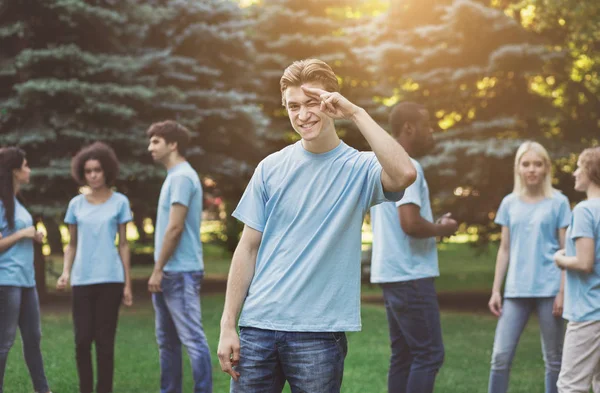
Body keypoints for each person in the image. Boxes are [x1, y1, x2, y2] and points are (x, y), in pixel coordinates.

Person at [216, 58, 417, 393]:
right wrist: (228, 325)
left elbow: (404, 173)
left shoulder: (359, 168)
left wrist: (356, 113)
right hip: (258, 328)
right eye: (293, 106)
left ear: (332, 102)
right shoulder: (271, 167)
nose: (303, 115)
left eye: (312, 103)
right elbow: (248, 247)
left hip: (318, 334)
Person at [369, 102, 458, 393]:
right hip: (411, 275)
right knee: (429, 355)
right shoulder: (407, 165)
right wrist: (443, 229)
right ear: (409, 127)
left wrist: (432, 223)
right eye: (427, 125)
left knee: (404, 356)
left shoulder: (380, 164)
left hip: (391, 275)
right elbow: (409, 223)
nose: (431, 131)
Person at [487, 141, 570, 393]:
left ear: (546, 168)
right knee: (500, 357)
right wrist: (495, 290)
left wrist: (563, 292)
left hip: (550, 289)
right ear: (518, 169)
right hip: (515, 290)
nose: (532, 169)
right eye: (526, 164)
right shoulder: (509, 203)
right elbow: (505, 249)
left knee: (554, 359)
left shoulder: (559, 202)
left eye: (537, 164)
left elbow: (567, 251)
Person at [56, 142, 133, 393]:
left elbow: (123, 245)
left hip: (111, 279)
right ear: (82, 172)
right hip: (82, 280)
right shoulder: (75, 205)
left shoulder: (120, 202)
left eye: (97, 170)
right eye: (88, 171)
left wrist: (128, 284)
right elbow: (72, 244)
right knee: (81, 340)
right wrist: (66, 272)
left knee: (104, 342)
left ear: (106, 170)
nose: (93, 175)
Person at [147, 120, 212, 393]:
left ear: (173, 144)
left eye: (155, 141)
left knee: (192, 340)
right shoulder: (175, 176)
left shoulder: (182, 177)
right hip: (171, 271)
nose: (149, 147)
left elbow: (175, 228)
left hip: (179, 271)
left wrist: (158, 269)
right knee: (168, 343)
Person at [0, 147, 52, 393]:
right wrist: (22, 233)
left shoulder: (18, 202)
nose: (29, 169)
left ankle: (43, 390)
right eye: (25, 165)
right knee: (4, 342)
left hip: (26, 281)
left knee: (33, 338)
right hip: (6, 280)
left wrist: (34, 236)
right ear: (14, 170)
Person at [554, 146, 600, 393]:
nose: (574, 173)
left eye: (579, 167)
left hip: (588, 312)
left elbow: (584, 262)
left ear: (591, 171)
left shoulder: (585, 210)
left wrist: (560, 258)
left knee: (571, 386)